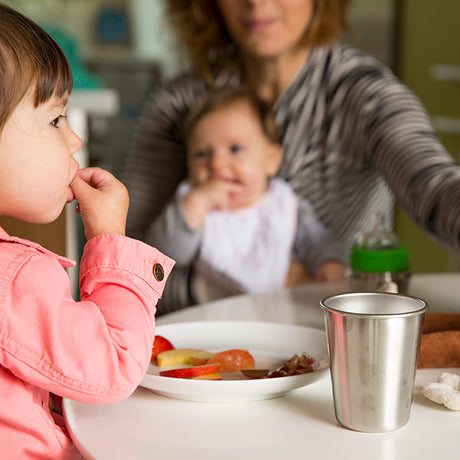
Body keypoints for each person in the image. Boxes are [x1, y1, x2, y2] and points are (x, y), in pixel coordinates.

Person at [123, 0, 460, 314]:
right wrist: (265, 286)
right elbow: (129, 270)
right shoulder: (177, 105)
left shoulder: (368, 95)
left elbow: (435, 190)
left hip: (326, 332)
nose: (256, 3)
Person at [0, 5, 174, 458]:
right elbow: (114, 366)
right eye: (55, 120)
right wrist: (109, 235)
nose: (74, 140)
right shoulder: (13, 279)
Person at [149, 86, 346, 303]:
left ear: (271, 160)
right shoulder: (194, 201)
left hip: (279, 310)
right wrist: (197, 202)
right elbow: (162, 256)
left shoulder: (283, 204)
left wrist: (329, 262)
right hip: (212, 316)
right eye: (202, 154)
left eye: (235, 149)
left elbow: (316, 241)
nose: (217, 163)